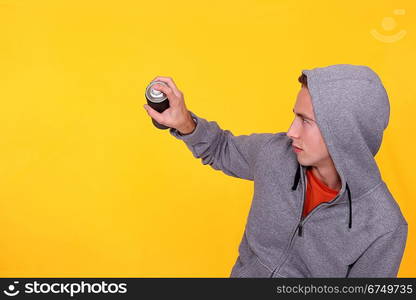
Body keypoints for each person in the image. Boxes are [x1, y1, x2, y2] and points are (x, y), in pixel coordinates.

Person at [143, 64, 408, 277]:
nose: (291, 132)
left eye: (306, 121)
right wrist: (184, 122)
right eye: (295, 116)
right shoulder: (276, 153)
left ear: (345, 133)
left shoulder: (384, 226)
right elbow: (221, 148)